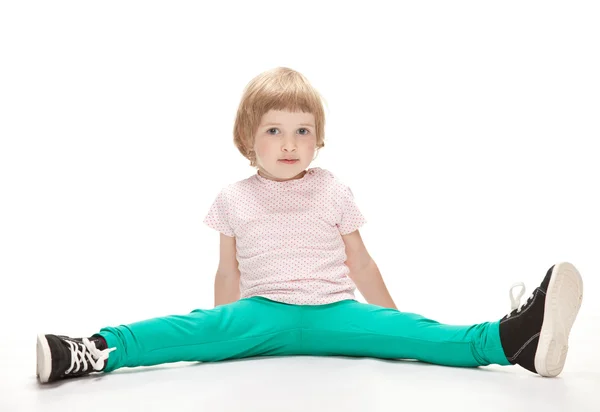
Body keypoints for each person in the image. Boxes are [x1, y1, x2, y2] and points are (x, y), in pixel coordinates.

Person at [36, 67, 584, 384]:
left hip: (335, 312)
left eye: (303, 131)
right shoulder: (233, 197)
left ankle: (515, 340)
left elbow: (361, 261)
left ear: (318, 140)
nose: (290, 143)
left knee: (431, 336)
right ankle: (92, 350)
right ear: (247, 139)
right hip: (259, 313)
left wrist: (393, 324)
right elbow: (225, 273)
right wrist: (220, 327)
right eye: (274, 131)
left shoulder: (332, 188)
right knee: (183, 330)